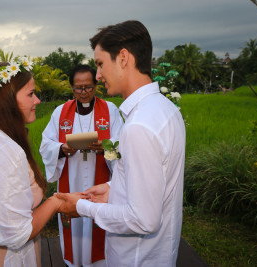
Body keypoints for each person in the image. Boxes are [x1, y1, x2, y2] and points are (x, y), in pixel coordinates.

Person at [56, 20, 186, 267]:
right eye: (78, 88)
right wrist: (111, 188)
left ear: (124, 58)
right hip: (157, 253)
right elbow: (149, 178)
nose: (98, 76)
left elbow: (143, 220)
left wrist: (83, 207)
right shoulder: (166, 109)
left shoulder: (135, 123)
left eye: (101, 64)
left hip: (135, 258)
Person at [0, 59, 63, 267]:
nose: (37, 100)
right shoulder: (7, 152)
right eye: (30, 94)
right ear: (6, 100)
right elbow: (18, 234)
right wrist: (56, 203)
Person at [39, 64, 124, 267]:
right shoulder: (60, 112)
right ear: (72, 88)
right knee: (74, 225)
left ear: (96, 86)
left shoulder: (110, 110)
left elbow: (123, 147)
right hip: (71, 179)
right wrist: (61, 149)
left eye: (88, 87)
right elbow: (45, 145)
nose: (83, 92)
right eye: (78, 88)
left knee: (98, 221)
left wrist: (104, 148)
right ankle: (75, 262)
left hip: (101, 181)